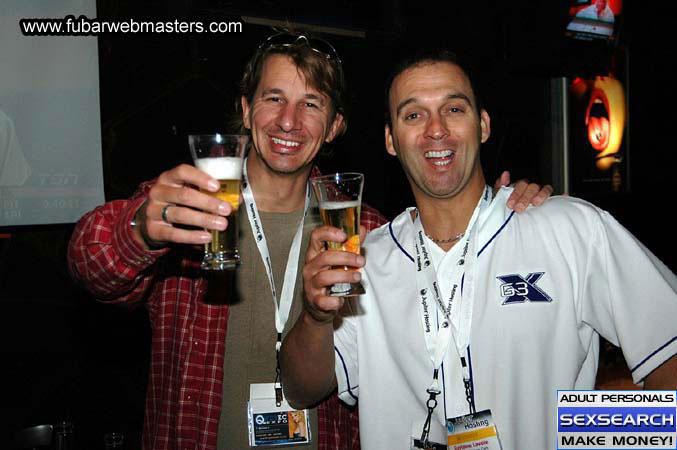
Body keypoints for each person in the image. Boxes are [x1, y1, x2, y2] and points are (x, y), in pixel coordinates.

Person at [68, 34, 551, 450]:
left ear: (335, 126)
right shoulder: (190, 206)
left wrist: (501, 212)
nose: (288, 121)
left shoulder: (366, 231)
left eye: (311, 104)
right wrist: (138, 230)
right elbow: (91, 267)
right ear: (245, 109)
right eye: (273, 98)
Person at [281, 49, 677, 450]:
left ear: (483, 125)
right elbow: (301, 390)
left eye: (454, 109)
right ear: (390, 140)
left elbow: (668, 350)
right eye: (414, 115)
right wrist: (314, 315)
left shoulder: (567, 228)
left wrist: (580, 435)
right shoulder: (368, 258)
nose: (436, 130)